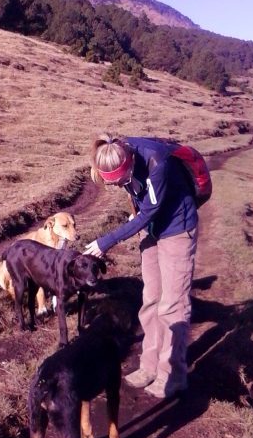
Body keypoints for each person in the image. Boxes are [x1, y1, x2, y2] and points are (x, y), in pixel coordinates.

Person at [83, 134, 199, 399]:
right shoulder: (114, 153)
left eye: (123, 181)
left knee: (173, 305)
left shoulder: (158, 161)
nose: (120, 185)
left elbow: (151, 211)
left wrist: (106, 241)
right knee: (150, 300)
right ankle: (149, 365)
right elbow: (141, 205)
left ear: (131, 161)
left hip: (177, 228)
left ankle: (173, 374)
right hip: (152, 230)